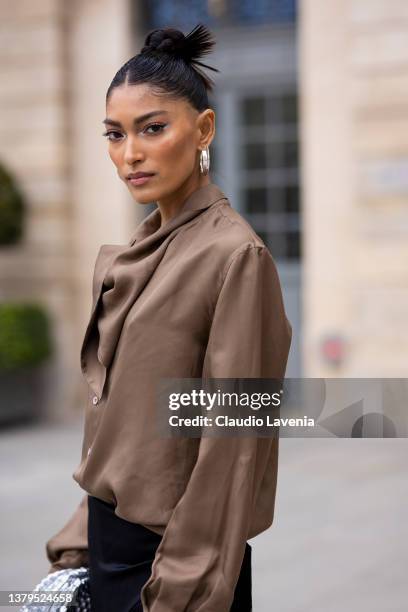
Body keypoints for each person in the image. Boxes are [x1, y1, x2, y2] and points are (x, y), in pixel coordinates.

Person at [45, 23, 292, 612]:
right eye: (115, 134)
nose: (130, 153)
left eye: (153, 128)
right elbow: (117, 421)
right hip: (108, 549)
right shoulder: (141, 249)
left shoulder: (235, 255)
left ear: (203, 129)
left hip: (178, 568)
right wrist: (78, 542)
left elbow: (235, 441)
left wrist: (182, 589)